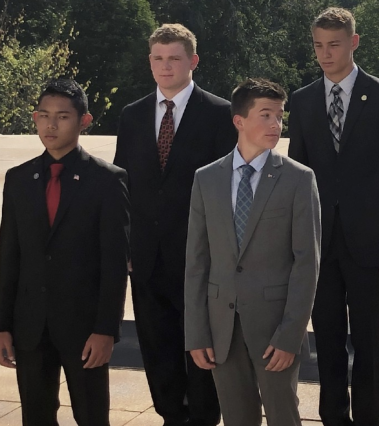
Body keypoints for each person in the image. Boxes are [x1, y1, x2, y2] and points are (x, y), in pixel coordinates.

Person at [287, 7, 379, 426]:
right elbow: (297, 176)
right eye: (319, 45)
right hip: (320, 246)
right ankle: (333, 420)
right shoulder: (303, 100)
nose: (325, 54)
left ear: (353, 42)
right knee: (326, 340)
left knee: (367, 343)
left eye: (334, 45)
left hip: (371, 245)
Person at [113, 23, 237, 426]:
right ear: (150, 61)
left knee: (201, 347)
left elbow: (231, 189)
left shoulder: (220, 114)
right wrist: (126, 247)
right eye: (158, 58)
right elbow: (123, 186)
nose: (165, 67)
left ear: (193, 61)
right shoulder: (132, 116)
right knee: (156, 347)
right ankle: (171, 416)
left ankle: (203, 418)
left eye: (174, 58)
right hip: (146, 259)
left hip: (200, 257)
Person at [0, 79, 130, 426]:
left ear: (84, 120)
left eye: (63, 117)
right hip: (30, 324)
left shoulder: (107, 180)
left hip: (84, 327)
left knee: (91, 414)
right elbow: (9, 256)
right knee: (36, 416)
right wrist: (1, 325)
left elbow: (114, 263)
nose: (51, 125)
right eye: (44, 116)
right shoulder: (19, 179)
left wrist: (106, 329)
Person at [184, 78, 320, 426]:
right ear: (239, 121)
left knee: (283, 415)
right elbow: (197, 262)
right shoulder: (206, 178)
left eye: (279, 115)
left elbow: (307, 263)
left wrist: (291, 334)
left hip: (275, 328)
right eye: (266, 115)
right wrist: (197, 333)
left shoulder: (298, 179)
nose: (276, 124)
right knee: (236, 418)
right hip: (221, 328)